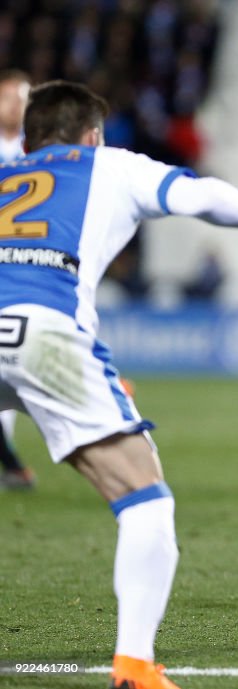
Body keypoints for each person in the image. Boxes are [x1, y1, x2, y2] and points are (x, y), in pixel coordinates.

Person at [0, 81, 238, 688]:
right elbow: (197, 194)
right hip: (46, 334)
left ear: (29, 139)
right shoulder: (108, 164)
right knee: (145, 498)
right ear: (91, 135)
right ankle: (135, 667)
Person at [0, 69, 35, 490]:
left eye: (22, 98)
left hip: (25, 269)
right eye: (8, 95)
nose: (14, 104)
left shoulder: (38, 150)